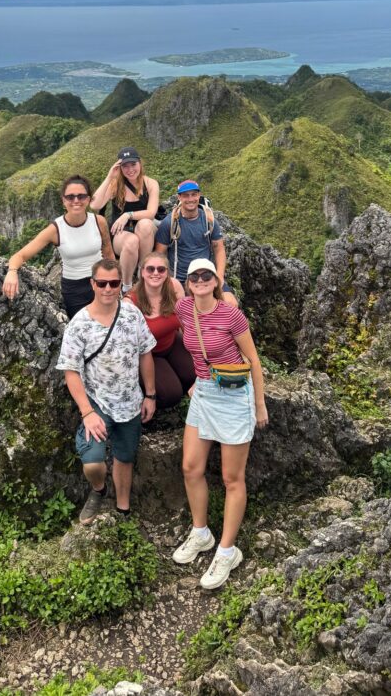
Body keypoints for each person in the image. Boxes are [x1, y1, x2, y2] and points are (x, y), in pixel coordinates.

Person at [172, 258, 268, 589]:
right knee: (190, 467)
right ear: (188, 283)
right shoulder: (184, 309)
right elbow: (189, 341)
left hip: (234, 396)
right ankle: (201, 533)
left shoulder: (231, 314)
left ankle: (228, 551)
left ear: (216, 281)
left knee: (231, 478)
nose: (200, 280)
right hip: (204, 392)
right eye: (194, 276)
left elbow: (253, 360)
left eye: (206, 275)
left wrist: (259, 404)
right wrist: (197, 378)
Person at [56, 258, 157, 524]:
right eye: (102, 283)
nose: (108, 289)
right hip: (98, 402)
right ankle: (99, 489)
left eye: (114, 283)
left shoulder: (132, 314)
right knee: (93, 461)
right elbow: (71, 371)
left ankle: (123, 509)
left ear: (120, 284)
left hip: (131, 401)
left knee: (125, 457)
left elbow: (145, 352)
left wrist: (150, 394)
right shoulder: (79, 324)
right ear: (92, 284)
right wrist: (87, 412)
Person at [2, 176, 114, 319]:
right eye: (70, 197)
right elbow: (20, 255)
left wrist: (117, 282)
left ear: (88, 199)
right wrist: (12, 272)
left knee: (110, 323)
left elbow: (109, 255)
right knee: (84, 327)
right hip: (75, 289)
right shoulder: (56, 229)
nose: (76, 200)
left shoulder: (99, 222)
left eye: (81, 196)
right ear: (63, 200)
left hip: (102, 281)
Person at [125, 252, 196, 409]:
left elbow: (185, 321)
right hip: (148, 354)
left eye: (161, 269)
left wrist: (195, 351)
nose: (156, 273)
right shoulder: (130, 303)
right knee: (171, 395)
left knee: (195, 375)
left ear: (167, 272)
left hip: (172, 341)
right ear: (142, 272)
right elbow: (130, 348)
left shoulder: (174, 286)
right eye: (150, 269)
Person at [155, 180, 238, 308]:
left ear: (199, 196)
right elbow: (159, 255)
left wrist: (219, 276)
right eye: (186, 195)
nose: (190, 199)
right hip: (181, 280)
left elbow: (219, 249)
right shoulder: (169, 223)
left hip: (207, 276)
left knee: (231, 304)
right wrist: (167, 280)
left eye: (194, 194)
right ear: (179, 197)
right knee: (182, 311)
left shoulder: (209, 220)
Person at [90, 147, 160, 295]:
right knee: (132, 241)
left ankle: (142, 272)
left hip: (145, 232)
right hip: (121, 233)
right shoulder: (116, 185)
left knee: (145, 224)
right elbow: (95, 205)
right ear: (120, 168)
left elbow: (151, 213)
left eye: (133, 164)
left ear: (140, 163)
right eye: (125, 166)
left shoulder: (150, 184)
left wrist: (128, 214)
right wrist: (109, 177)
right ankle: (126, 286)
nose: (130, 170)